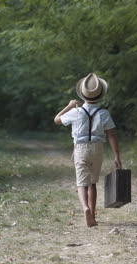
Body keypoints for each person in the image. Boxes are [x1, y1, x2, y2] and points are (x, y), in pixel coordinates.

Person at [54, 73, 121, 227]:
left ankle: (85, 208)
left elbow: (56, 119)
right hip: (97, 149)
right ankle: (92, 213)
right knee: (93, 182)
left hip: (81, 149)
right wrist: (117, 156)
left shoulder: (75, 112)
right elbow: (112, 135)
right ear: (100, 95)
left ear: (82, 94)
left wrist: (69, 105)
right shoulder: (104, 113)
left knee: (81, 183)